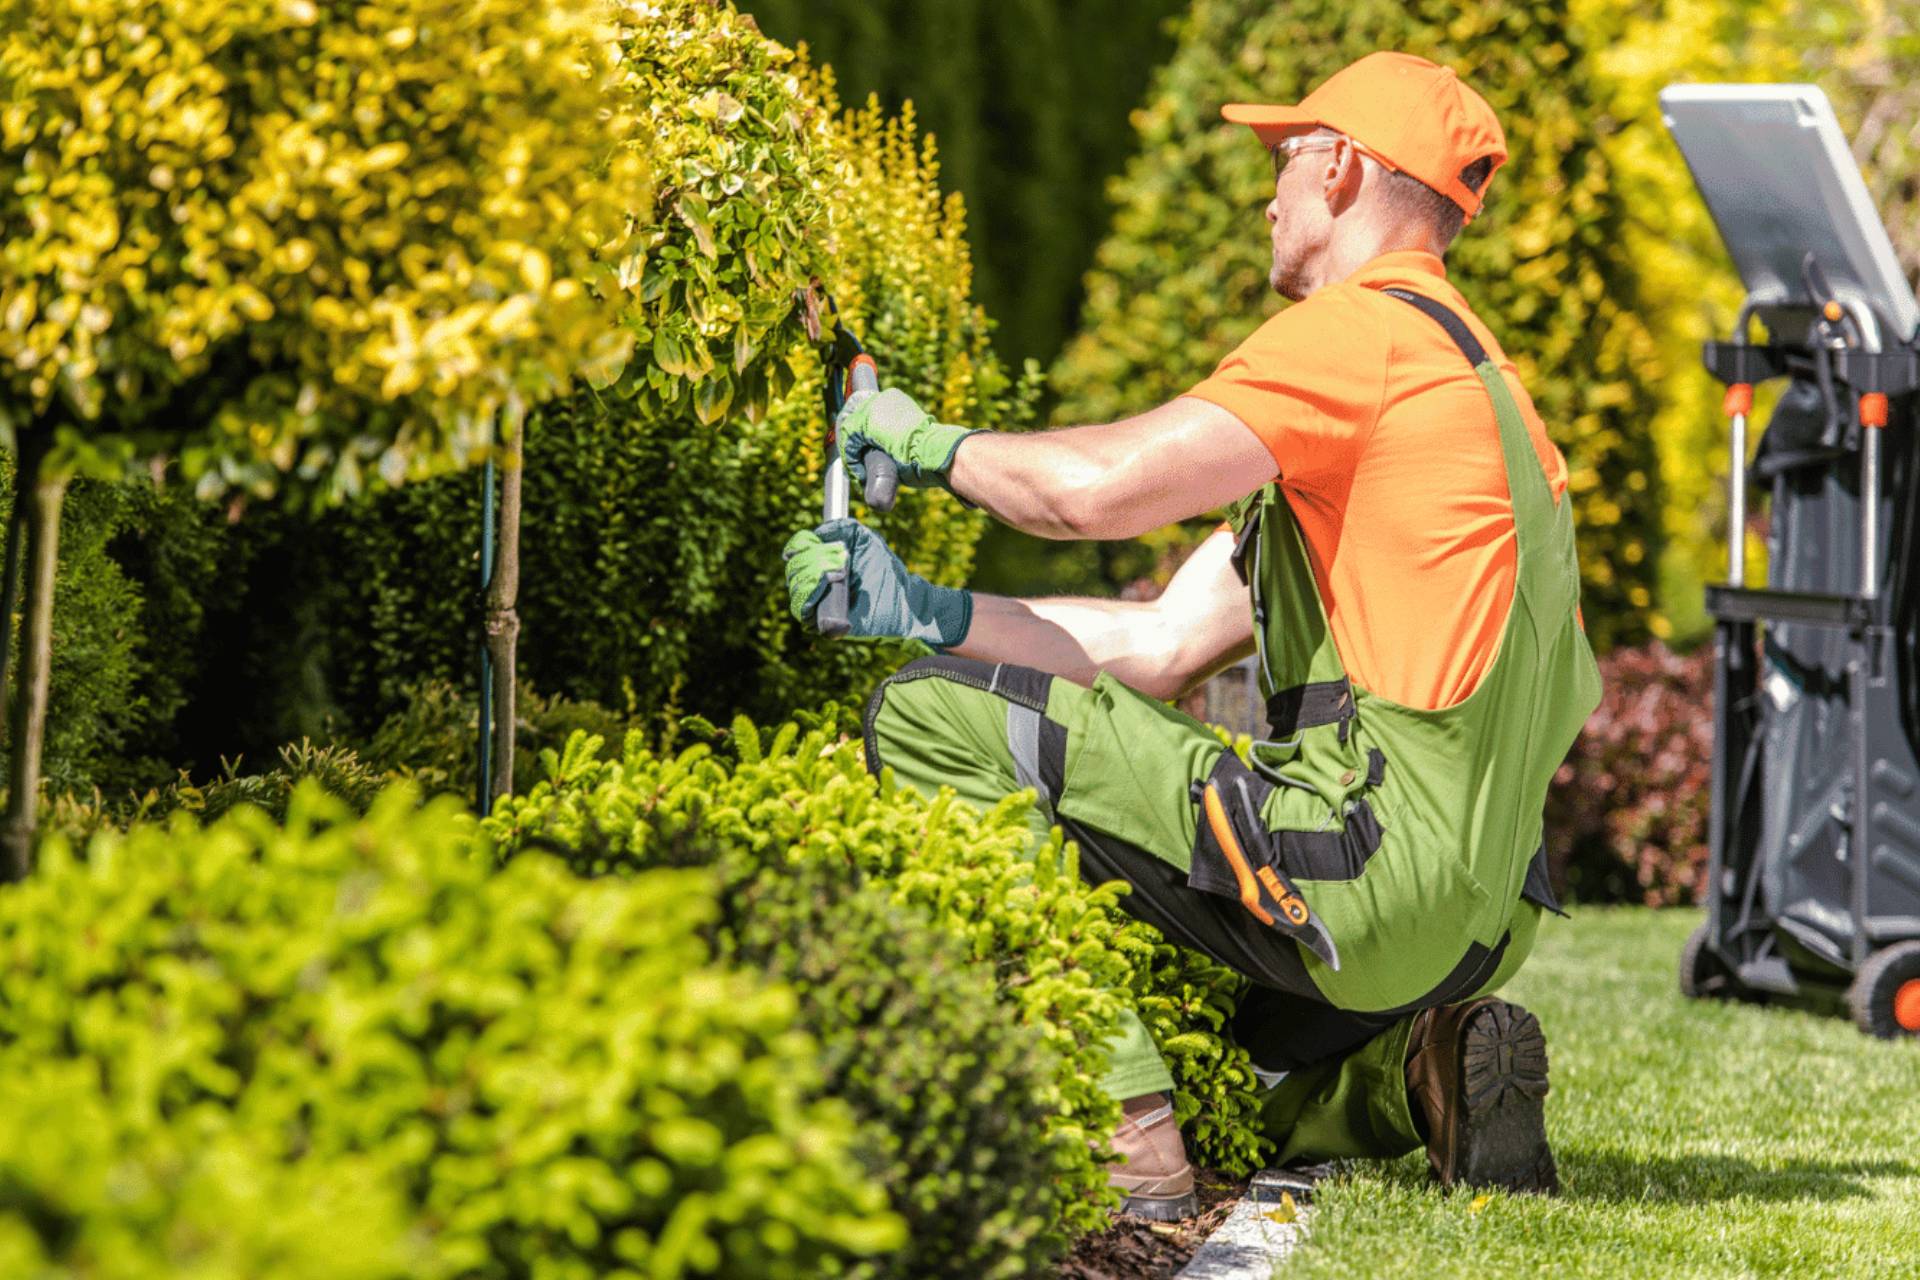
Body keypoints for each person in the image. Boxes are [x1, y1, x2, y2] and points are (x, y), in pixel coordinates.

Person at [782, 50, 1601, 1217]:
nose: (1267, 192)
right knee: (1210, 1036)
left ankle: (1125, 1141)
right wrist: (923, 609)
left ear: (1345, 170)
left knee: (923, 715)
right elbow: (1161, 642)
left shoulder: (1360, 336)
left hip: (1366, 869)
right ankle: (1414, 1075)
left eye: (1284, 159)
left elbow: (1092, 492)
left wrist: (924, 442)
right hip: (1477, 918)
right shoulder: (1478, 390)